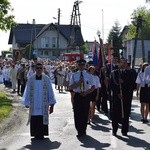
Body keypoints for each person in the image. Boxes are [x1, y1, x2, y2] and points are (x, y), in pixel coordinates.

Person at [22, 63, 56, 140]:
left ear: (43, 69)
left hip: (43, 104)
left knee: (42, 117)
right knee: (34, 117)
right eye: (37, 68)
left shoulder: (46, 79)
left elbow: (50, 91)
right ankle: (35, 133)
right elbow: (27, 91)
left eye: (41, 68)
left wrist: (52, 104)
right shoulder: (31, 79)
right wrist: (26, 102)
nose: (39, 69)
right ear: (35, 69)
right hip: (33, 103)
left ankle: (41, 134)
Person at [69, 59, 95, 137]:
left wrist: (86, 92)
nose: (81, 66)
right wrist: (78, 83)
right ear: (77, 65)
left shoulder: (88, 74)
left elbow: (93, 86)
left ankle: (83, 129)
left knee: (85, 112)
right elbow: (71, 86)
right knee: (77, 113)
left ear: (84, 65)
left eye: (83, 65)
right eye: (80, 65)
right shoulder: (74, 75)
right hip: (77, 95)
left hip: (85, 95)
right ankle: (78, 129)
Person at [110, 58, 134, 136]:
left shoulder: (130, 73)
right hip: (117, 97)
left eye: (124, 63)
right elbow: (111, 85)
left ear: (126, 64)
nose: (123, 64)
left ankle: (124, 130)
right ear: (119, 63)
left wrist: (124, 82)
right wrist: (117, 94)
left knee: (125, 114)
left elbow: (132, 86)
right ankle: (114, 130)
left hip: (126, 97)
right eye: (121, 62)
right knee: (115, 114)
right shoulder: (114, 73)